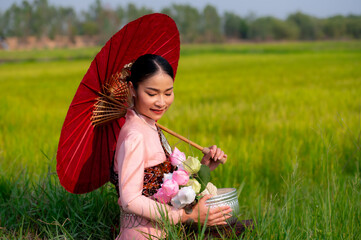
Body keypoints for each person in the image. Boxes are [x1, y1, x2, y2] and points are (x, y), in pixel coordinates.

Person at [111, 54, 231, 239]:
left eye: (168, 93)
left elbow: (163, 184)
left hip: (165, 232)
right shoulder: (135, 136)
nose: (161, 102)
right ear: (132, 89)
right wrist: (185, 215)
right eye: (151, 94)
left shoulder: (151, 126)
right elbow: (130, 200)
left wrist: (204, 167)